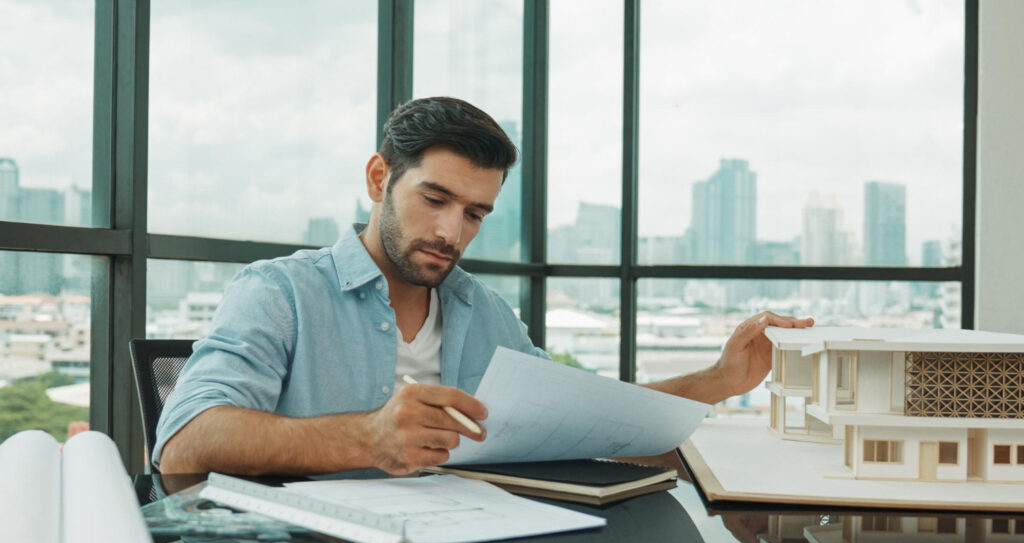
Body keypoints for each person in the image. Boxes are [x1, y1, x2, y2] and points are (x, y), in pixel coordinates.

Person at [155, 96, 813, 476]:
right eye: (434, 198)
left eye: (474, 213)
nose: (451, 232)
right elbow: (182, 444)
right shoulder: (280, 293)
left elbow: (581, 424)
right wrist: (366, 438)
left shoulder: (485, 310)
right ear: (380, 178)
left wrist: (717, 380)